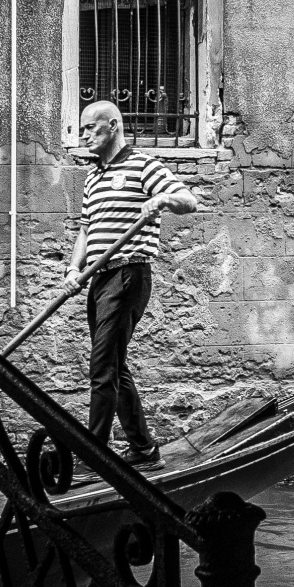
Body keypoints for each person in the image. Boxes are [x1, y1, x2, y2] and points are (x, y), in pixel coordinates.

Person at [67, 99, 199, 465]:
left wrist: (163, 199)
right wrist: (73, 269)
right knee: (113, 365)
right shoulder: (93, 178)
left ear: (112, 125)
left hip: (128, 273)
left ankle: (93, 458)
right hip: (99, 277)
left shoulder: (143, 165)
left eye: (90, 128)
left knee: (102, 368)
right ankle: (143, 448)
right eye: (82, 129)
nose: (84, 136)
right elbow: (86, 230)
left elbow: (189, 200)